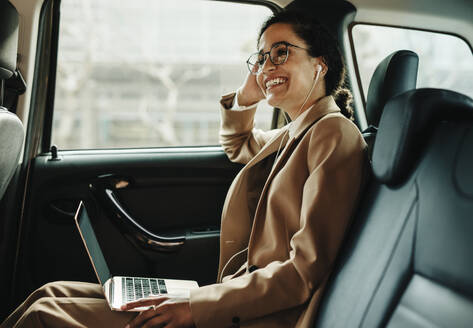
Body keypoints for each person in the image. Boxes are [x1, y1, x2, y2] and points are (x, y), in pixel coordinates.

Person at [1, 10, 367, 328]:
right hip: (238, 297)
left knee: (45, 316)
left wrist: (197, 308)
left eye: (282, 53)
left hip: (268, 317)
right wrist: (246, 95)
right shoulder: (294, 132)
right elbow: (238, 144)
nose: (267, 66)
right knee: (50, 293)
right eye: (261, 57)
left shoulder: (332, 134)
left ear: (320, 65)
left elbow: (303, 272)